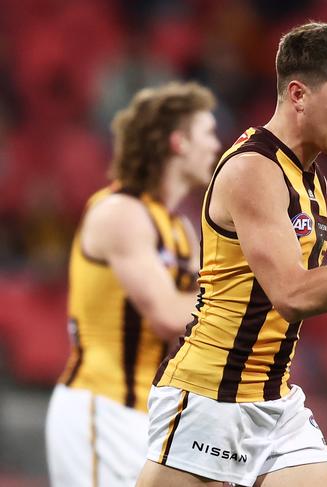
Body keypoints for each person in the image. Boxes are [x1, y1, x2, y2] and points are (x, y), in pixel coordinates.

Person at [137, 22, 327, 487]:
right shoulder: (253, 170)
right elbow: (293, 294)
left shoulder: (310, 178)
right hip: (211, 397)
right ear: (299, 94)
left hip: (274, 399)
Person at [45, 81, 222, 487]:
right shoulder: (119, 212)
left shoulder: (180, 226)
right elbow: (168, 315)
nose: (216, 146)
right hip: (102, 407)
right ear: (177, 142)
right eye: (208, 133)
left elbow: (205, 314)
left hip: (151, 414)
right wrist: (239, 287)